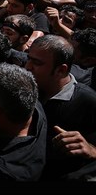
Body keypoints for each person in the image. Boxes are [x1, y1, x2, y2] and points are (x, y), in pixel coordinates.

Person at [25, 35, 96, 180]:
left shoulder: (88, 101)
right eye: (29, 59)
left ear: (61, 70)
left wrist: (92, 150)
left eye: (37, 63)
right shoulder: (28, 87)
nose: (28, 67)